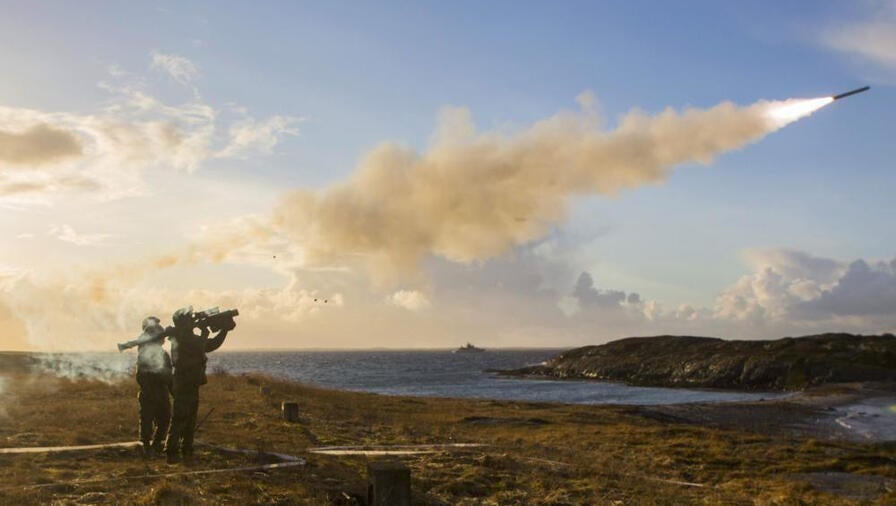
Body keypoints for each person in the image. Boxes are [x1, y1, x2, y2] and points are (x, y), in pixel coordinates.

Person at [164, 306, 232, 464]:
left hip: (191, 383)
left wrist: (224, 330)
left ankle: (186, 450)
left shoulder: (187, 337)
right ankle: (171, 451)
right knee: (180, 417)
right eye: (189, 319)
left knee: (190, 419)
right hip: (184, 383)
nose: (192, 321)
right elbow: (203, 345)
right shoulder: (182, 338)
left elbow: (210, 345)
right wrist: (208, 331)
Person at [118, 316, 173, 458]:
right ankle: (147, 448)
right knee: (147, 422)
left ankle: (155, 447)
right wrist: (149, 390)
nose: (164, 339)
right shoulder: (144, 355)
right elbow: (141, 376)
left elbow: (169, 376)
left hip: (162, 392)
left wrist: (173, 392)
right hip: (149, 392)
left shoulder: (163, 355)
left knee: (164, 419)